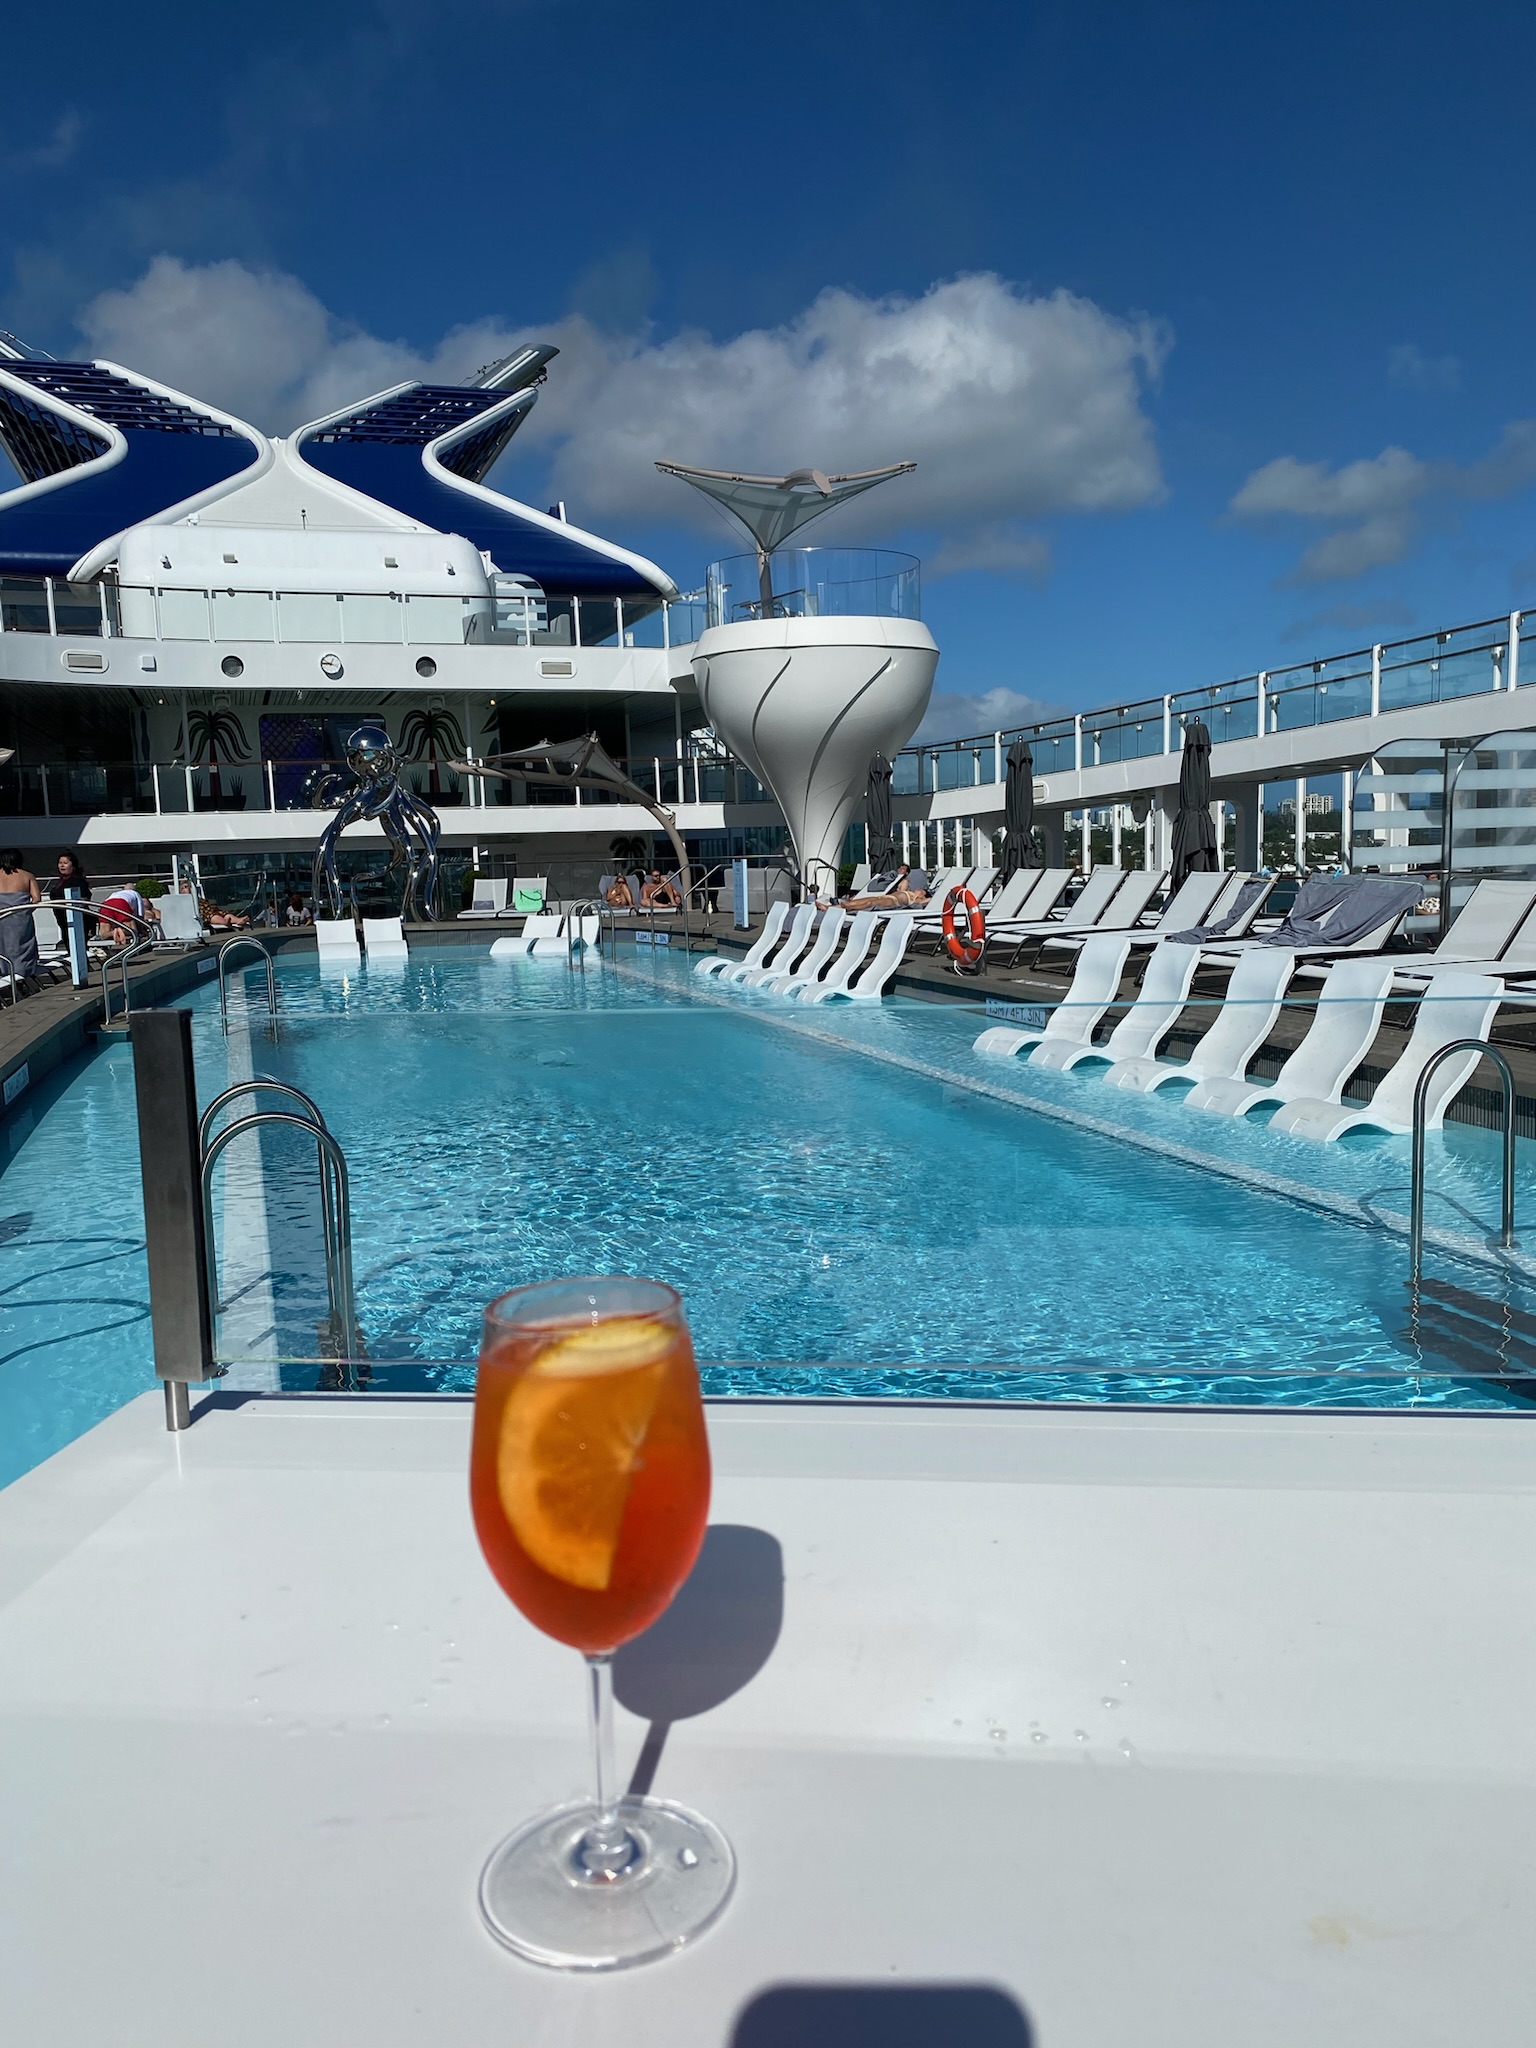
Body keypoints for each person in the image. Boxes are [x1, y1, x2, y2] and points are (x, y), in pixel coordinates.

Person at [0, 848, 41, 983]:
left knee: (2, 947)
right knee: (22, 947)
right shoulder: (27, 876)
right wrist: (25, 912)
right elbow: (36, 899)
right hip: (20, 917)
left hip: (1, 916)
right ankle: (22, 977)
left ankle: (4, 974)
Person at [44, 851, 91, 946]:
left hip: (75, 921)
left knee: (77, 945)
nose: (62, 865)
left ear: (73, 866)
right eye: (60, 863)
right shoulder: (59, 882)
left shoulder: (78, 881)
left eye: (65, 863)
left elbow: (85, 900)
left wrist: (65, 904)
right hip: (63, 921)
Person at [842, 862, 931, 910]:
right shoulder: (907, 889)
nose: (920, 889)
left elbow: (931, 900)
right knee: (865, 900)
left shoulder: (918, 900)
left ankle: (850, 907)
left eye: (922, 890)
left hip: (894, 901)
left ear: (923, 895)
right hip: (887, 896)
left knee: (870, 903)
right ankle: (835, 907)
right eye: (900, 868)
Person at [96, 883, 160, 945]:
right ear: (134, 889)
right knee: (133, 931)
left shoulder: (115, 893)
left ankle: (114, 932)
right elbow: (140, 916)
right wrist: (141, 931)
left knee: (104, 934)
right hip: (121, 903)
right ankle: (120, 931)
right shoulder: (136, 894)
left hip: (106, 905)